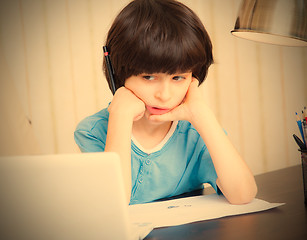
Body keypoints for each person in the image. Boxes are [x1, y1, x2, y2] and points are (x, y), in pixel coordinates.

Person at [74, 0, 257, 205]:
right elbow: (113, 204)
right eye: (148, 77)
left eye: (178, 78)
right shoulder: (93, 131)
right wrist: (120, 117)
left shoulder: (194, 133)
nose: (164, 95)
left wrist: (203, 116)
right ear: (119, 74)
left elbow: (243, 194)